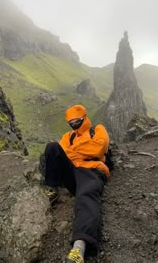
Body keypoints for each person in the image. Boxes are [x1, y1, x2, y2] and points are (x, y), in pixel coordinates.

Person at [42, 104, 110, 263]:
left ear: (84, 118)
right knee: (52, 147)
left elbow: (99, 148)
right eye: (71, 123)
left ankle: (79, 248)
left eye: (77, 122)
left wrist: (74, 151)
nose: (74, 125)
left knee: (86, 196)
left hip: (92, 170)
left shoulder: (98, 129)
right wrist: (83, 150)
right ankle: (52, 188)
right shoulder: (68, 136)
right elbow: (62, 150)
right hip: (73, 171)